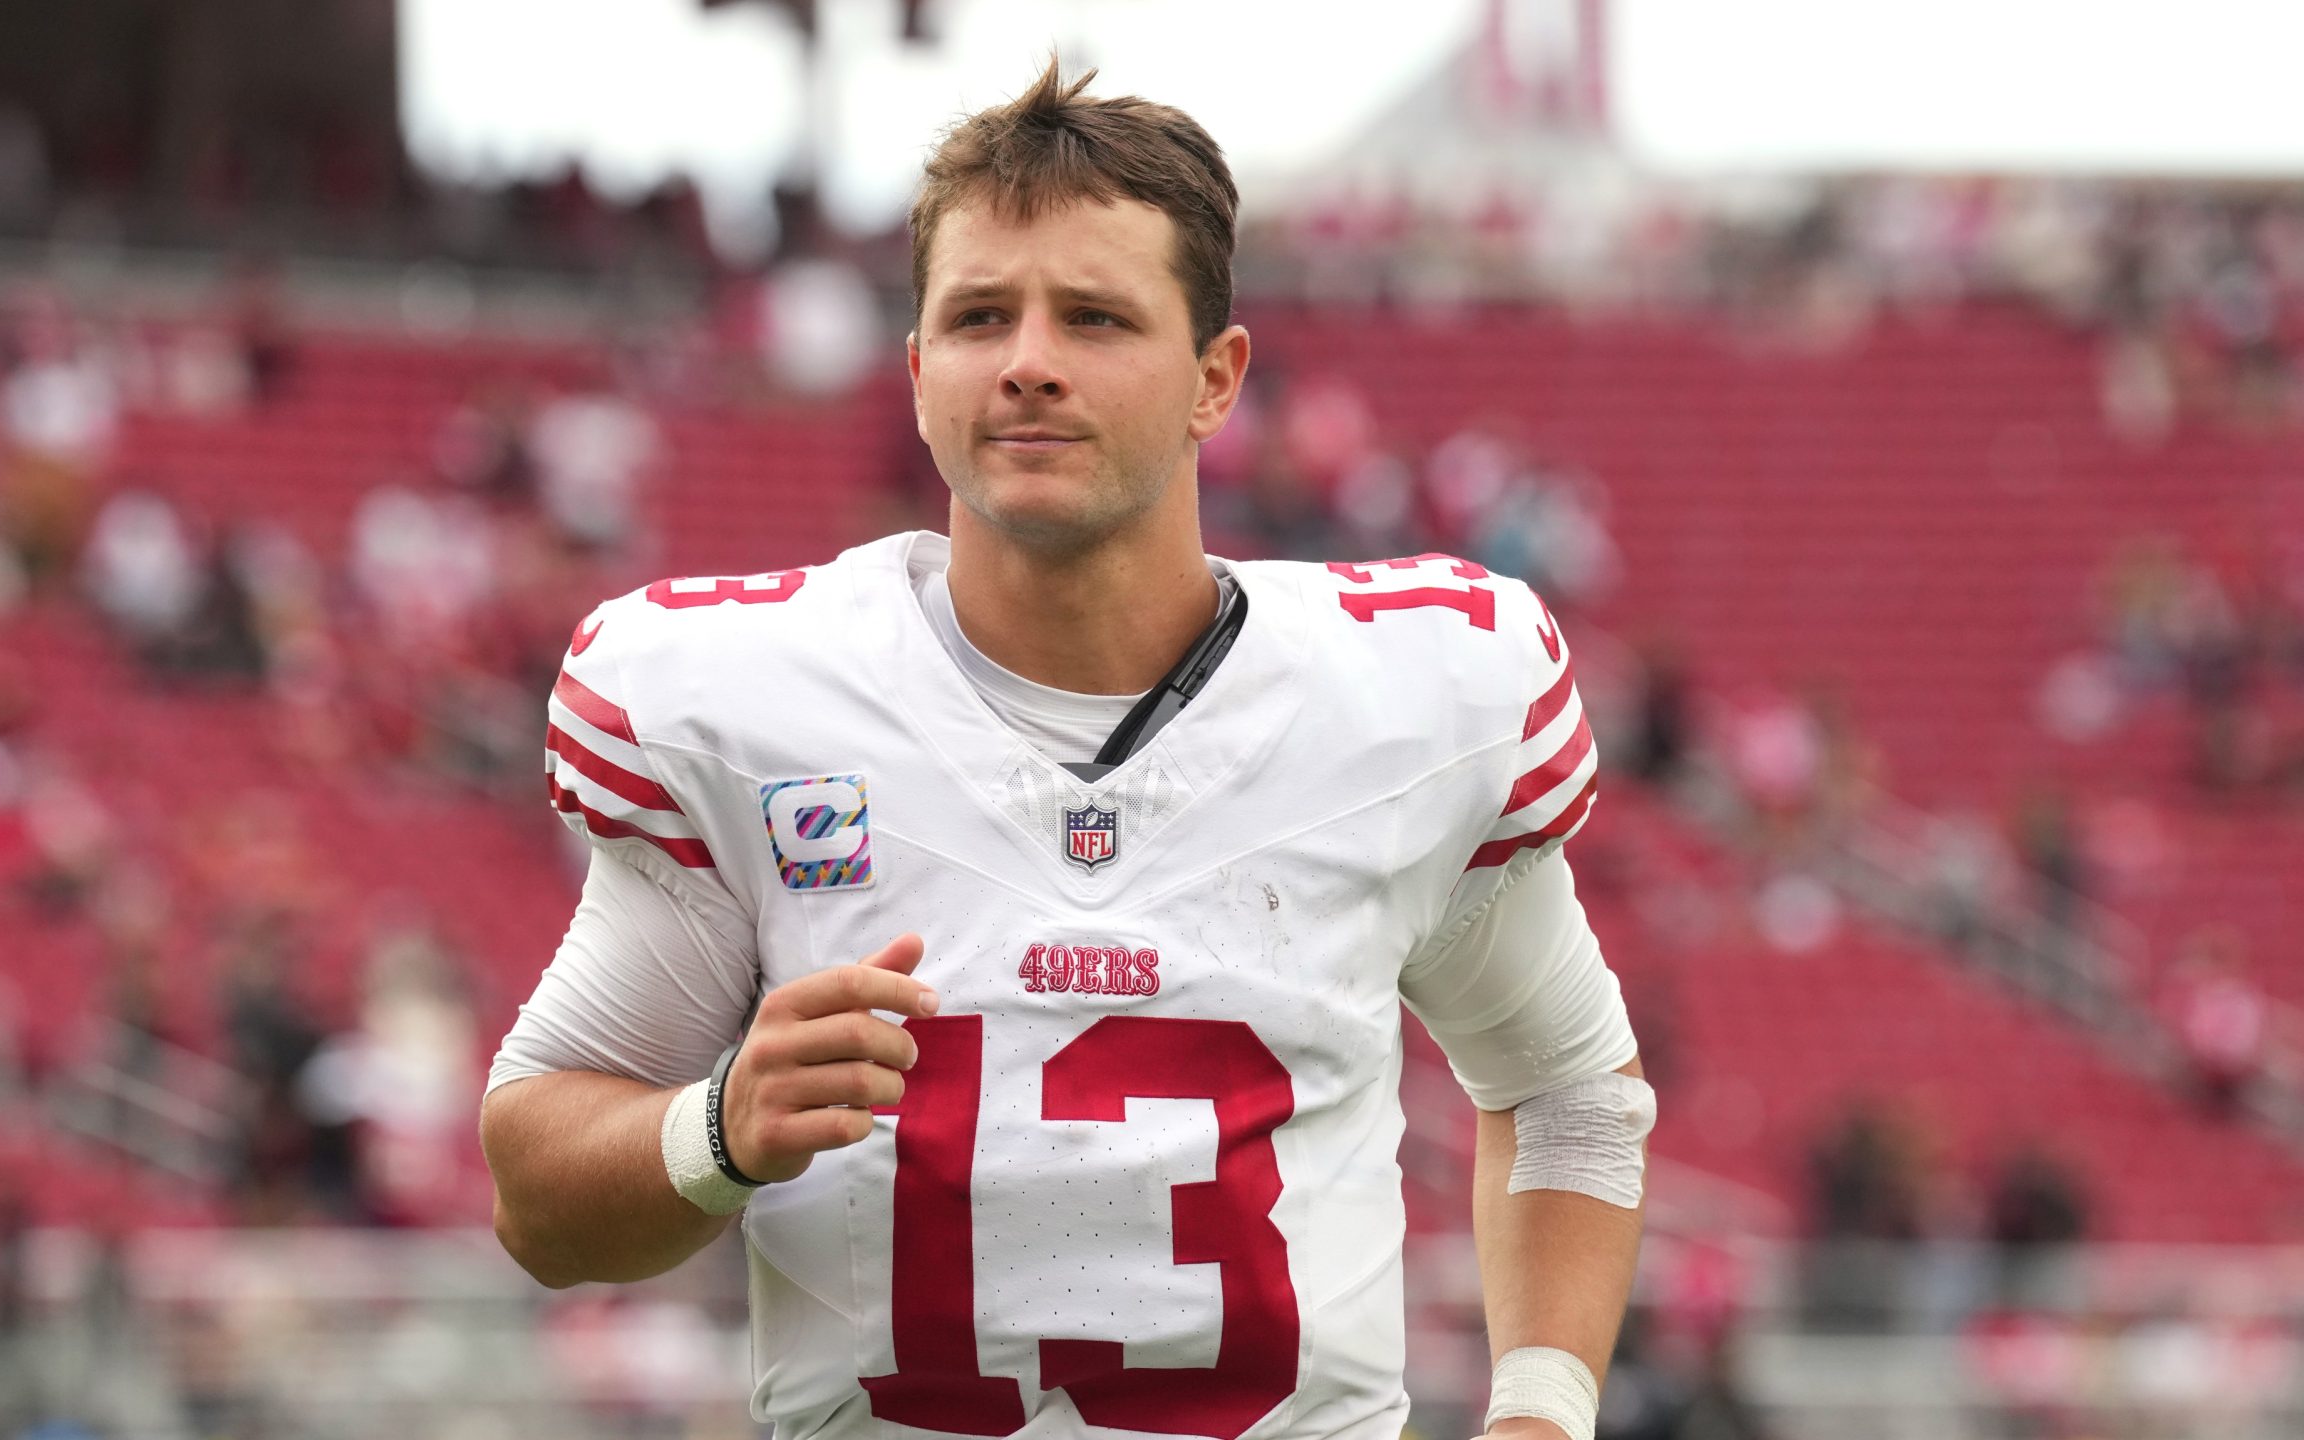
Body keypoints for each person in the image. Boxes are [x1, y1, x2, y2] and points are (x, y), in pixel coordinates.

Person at [481, 60, 1651, 1440]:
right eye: (980, 316)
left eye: (1094, 317)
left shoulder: (1402, 702)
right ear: (920, 373)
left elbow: (1570, 1097)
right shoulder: (754, 705)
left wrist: (1541, 1414)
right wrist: (716, 1131)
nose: (1028, 360)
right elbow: (539, 1205)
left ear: (1216, 379)